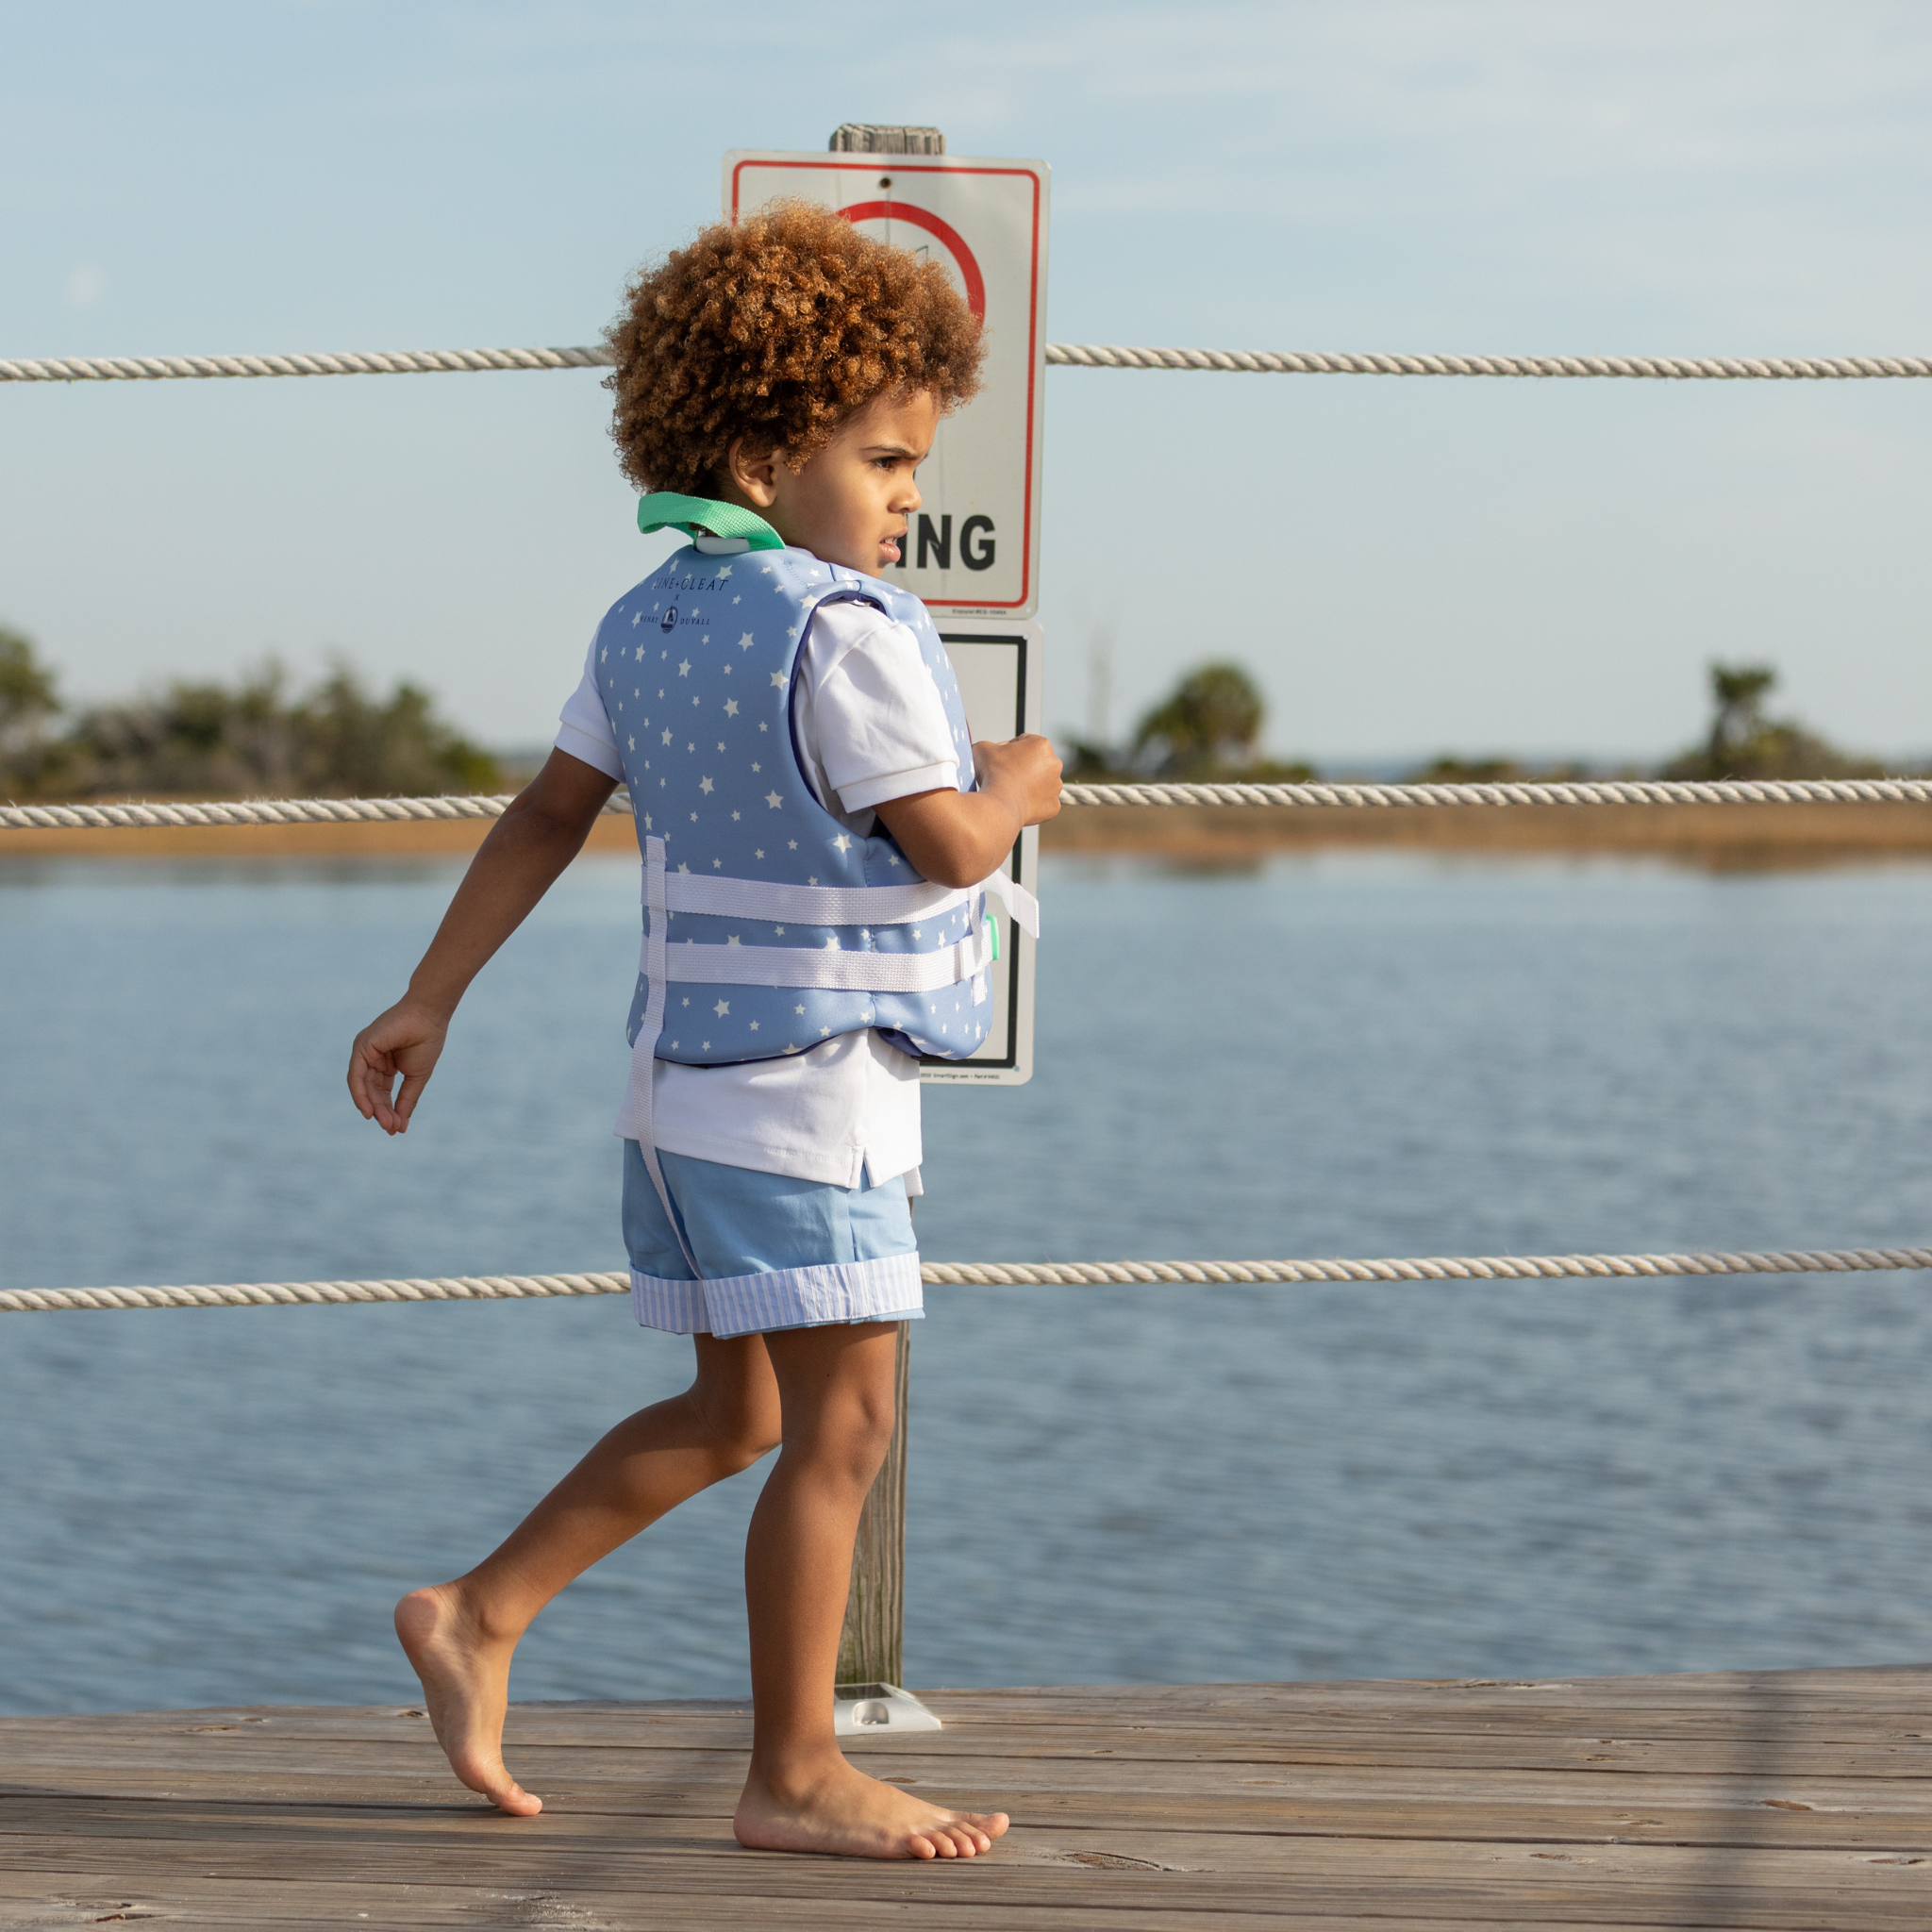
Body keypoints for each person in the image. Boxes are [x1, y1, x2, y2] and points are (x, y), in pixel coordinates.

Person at [345, 200, 1061, 1861]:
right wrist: (1024, 780)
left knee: (739, 1415)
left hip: (677, 1103)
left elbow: (544, 815)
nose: (909, 495)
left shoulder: (645, 621)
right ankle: (796, 1772)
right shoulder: (844, 632)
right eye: (885, 459)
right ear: (760, 452)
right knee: (848, 1427)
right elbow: (952, 843)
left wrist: (430, 993)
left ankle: (478, 1612)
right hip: (807, 1108)